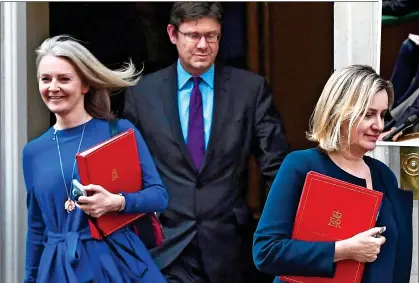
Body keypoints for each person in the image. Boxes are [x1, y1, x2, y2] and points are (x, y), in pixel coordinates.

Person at [122, 2, 290, 282]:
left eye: (211, 36)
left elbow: (276, 167)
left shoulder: (250, 90)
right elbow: (129, 171)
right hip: (166, 247)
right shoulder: (142, 94)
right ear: (172, 34)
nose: (203, 45)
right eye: (193, 35)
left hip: (230, 245)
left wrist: (278, 233)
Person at [23, 35, 168, 283]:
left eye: (64, 79)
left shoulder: (120, 132)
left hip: (116, 263)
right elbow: (37, 228)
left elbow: (159, 196)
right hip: (59, 269)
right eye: (45, 79)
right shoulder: (33, 151)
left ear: (85, 85)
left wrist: (117, 202)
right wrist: (30, 278)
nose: (53, 87)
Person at [253, 65, 413, 283]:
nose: (379, 125)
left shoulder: (383, 175)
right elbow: (266, 252)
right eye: (368, 114)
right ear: (339, 112)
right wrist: (343, 250)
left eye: (382, 115)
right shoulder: (301, 166)